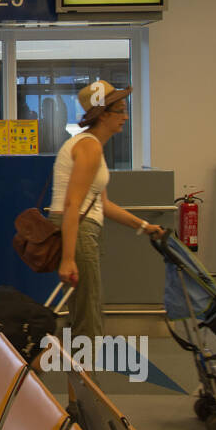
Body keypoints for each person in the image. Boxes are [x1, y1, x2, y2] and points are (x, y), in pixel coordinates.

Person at [52, 80, 163, 342]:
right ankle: (84, 380)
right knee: (87, 317)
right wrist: (68, 258)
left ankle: (77, 380)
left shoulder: (91, 146)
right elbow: (72, 205)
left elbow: (103, 203)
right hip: (78, 230)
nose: (125, 117)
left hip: (80, 228)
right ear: (103, 115)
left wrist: (143, 226)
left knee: (81, 313)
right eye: (120, 110)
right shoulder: (88, 147)